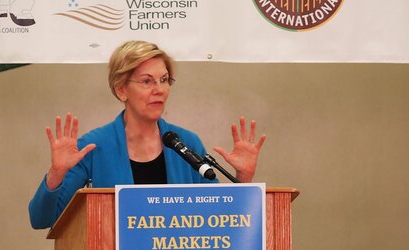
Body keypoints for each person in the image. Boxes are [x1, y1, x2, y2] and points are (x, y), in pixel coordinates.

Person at [28, 40, 266, 229]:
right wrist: (56, 174)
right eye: (147, 81)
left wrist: (243, 179)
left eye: (164, 80)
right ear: (121, 90)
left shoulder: (186, 143)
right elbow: (41, 220)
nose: (159, 90)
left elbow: (218, 220)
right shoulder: (93, 147)